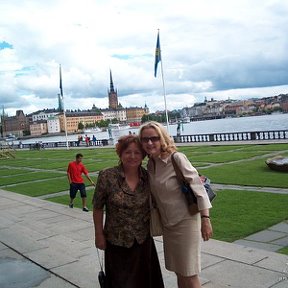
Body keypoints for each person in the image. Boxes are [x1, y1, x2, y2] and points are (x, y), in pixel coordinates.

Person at [139, 121, 213, 288]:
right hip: (168, 225)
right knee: (179, 271)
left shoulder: (176, 158)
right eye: (145, 139)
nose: (149, 143)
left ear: (162, 138)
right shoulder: (151, 164)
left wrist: (206, 219)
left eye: (154, 138)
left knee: (190, 273)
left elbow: (199, 189)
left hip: (186, 222)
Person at [92, 135, 164, 288]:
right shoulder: (107, 176)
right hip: (116, 243)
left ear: (143, 155)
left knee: (145, 282)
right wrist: (99, 234)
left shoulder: (147, 176)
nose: (132, 156)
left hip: (143, 242)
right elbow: (97, 207)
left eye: (137, 152)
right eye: (128, 152)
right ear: (120, 153)